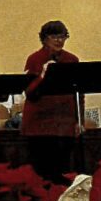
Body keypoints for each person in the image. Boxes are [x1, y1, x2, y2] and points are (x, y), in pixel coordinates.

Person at [22, 20, 81, 180]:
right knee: (42, 172)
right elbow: (30, 92)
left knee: (64, 172)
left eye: (62, 36)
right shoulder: (35, 59)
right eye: (54, 36)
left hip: (64, 124)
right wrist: (42, 75)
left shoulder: (71, 60)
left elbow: (78, 93)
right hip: (40, 125)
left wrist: (78, 120)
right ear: (45, 39)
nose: (59, 41)